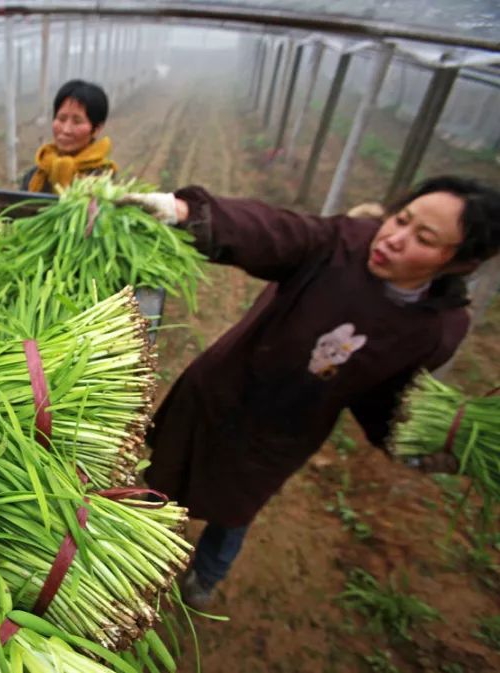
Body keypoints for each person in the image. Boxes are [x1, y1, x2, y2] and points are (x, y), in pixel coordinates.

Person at [120, 177, 500, 608]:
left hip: (284, 432)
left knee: (235, 510)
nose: (394, 239)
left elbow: (386, 399)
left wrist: (418, 440)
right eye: (401, 219)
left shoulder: (436, 330)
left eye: (423, 239)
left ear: (460, 263)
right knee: (164, 477)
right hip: (223, 389)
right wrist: (187, 214)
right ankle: (134, 553)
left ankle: (206, 576)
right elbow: (277, 231)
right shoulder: (343, 243)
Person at [20, 80, 117, 194]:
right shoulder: (36, 175)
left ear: (96, 129)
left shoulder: (103, 180)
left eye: (77, 122)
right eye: (61, 119)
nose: (66, 130)